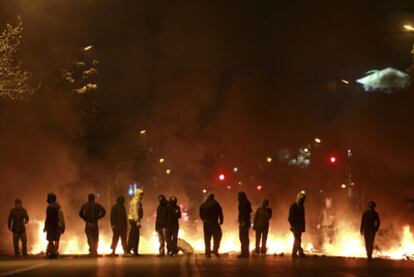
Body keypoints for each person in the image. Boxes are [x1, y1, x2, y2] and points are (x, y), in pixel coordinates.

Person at [199, 193, 223, 257]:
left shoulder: (203, 204)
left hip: (206, 224)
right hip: (214, 223)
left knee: (207, 238)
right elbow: (220, 212)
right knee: (217, 236)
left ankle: (207, 252)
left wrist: (204, 220)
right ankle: (215, 250)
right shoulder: (216, 204)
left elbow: (201, 215)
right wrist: (221, 220)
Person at [288, 191, 306, 258]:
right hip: (295, 226)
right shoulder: (293, 206)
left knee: (297, 239)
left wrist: (303, 228)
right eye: (302, 199)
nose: (303, 201)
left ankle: (294, 253)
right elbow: (290, 217)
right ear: (299, 199)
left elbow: (303, 218)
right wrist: (292, 226)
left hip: (299, 226)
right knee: (298, 239)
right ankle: (300, 252)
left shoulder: (302, 207)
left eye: (304, 200)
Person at [127, 189, 144, 256]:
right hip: (134, 220)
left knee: (133, 235)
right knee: (134, 236)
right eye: (141, 194)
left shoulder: (136, 201)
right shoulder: (136, 202)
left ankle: (133, 250)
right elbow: (135, 212)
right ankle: (131, 250)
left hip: (133, 219)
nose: (142, 196)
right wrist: (137, 221)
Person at [44, 193, 60, 259]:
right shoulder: (57, 206)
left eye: (48, 198)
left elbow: (48, 218)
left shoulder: (50, 207)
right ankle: (50, 253)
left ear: (50, 199)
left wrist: (45, 226)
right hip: (56, 226)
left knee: (50, 240)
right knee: (52, 240)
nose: (47, 199)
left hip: (51, 226)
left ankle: (54, 253)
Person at [238, 191, 252, 258]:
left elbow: (244, 213)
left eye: (238, 196)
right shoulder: (245, 202)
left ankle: (244, 253)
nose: (237, 197)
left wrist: (243, 222)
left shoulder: (244, 203)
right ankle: (245, 253)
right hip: (245, 222)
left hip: (244, 223)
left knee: (243, 238)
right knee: (244, 238)